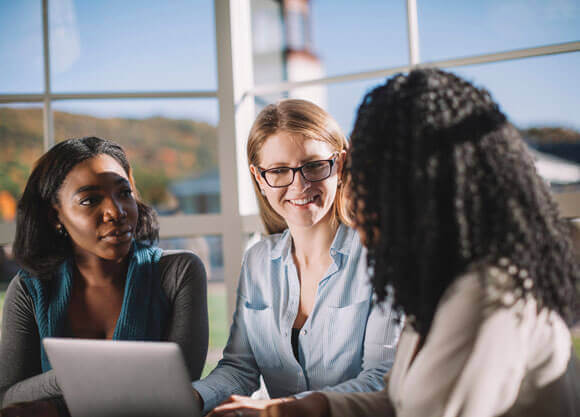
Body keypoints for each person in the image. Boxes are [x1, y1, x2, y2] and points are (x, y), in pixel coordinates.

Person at [262, 69, 580, 417]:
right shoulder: (441, 283)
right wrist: (311, 407)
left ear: (422, 191)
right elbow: (401, 402)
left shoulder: (490, 291)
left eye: (370, 181)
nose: (357, 200)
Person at [192, 99, 400, 416]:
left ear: (340, 165)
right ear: (260, 178)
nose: (299, 185)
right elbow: (239, 369)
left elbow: (381, 381)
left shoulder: (381, 258)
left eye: (314, 166)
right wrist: (191, 398)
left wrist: (279, 410)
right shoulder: (258, 262)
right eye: (278, 171)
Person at [0, 137, 209, 417]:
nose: (116, 212)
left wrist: (59, 397)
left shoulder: (179, 272)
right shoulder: (30, 289)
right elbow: (9, 397)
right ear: (55, 216)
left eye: (124, 193)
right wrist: (81, 372)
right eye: (90, 200)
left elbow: (178, 388)